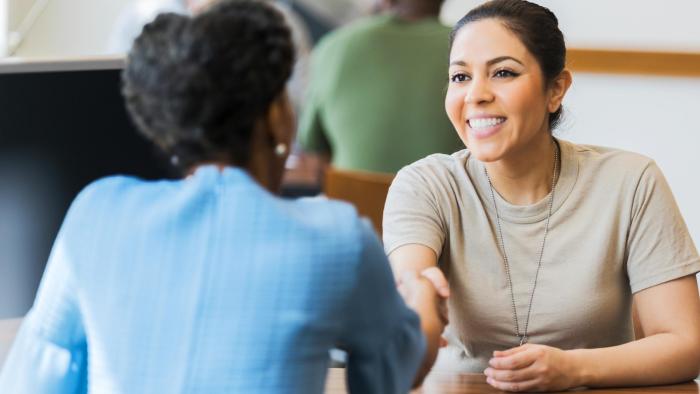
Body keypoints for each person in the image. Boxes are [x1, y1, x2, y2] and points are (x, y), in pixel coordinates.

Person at [0, 1, 445, 392]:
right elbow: (396, 370)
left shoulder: (95, 212)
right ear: (276, 116)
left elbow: (35, 380)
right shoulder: (337, 238)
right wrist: (422, 293)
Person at [383, 0, 700, 391]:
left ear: (556, 90)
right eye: (460, 77)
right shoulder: (424, 184)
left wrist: (572, 369)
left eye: (502, 73)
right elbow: (414, 289)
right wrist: (419, 296)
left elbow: (685, 345)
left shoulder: (631, 181)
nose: (475, 94)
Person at [296, 0, 463, 174]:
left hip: (354, 199)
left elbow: (312, 147)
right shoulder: (465, 47)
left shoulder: (333, 47)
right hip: (443, 199)